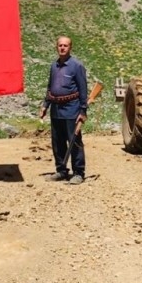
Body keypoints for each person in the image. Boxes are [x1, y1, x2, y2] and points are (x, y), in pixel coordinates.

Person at [40, 36, 88, 184]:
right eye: (60, 45)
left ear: (70, 48)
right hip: (56, 109)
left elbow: (83, 90)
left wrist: (83, 111)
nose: (62, 48)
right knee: (57, 142)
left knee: (74, 141)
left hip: (72, 109)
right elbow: (50, 87)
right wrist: (45, 105)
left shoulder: (76, 66)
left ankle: (78, 172)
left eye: (65, 45)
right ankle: (61, 170)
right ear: (56, 47)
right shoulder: (54, 66)